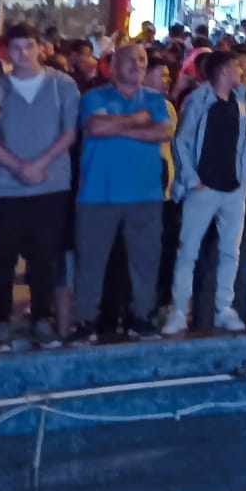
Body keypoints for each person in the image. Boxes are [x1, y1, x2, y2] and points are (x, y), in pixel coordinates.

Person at [0, 25, 80, 349]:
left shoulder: (62, 85)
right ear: (6, 52)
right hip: (8, 187)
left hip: (51, 186)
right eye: (16, 48)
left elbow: (69, 133)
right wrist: (19, 167)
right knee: (3, 258)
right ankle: (0, 322)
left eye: (29, 46)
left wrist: (40, 164)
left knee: (45, 258)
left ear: (40, 48)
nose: (23, 54)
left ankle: (41, 318)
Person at [73, 43, 174, 341]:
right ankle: (86, 321)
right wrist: (138, 121)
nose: (137, 65)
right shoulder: (94, 96)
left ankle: (141, 317)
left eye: (142, 60)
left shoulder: (155, 100)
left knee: (145, 262)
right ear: (113, 66)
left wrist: (120, 127)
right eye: (130, 60)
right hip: (97, 195)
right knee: (91, 262)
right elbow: (95, 128)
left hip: (145, 195)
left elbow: (163, 132)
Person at [163, 51, 246, 335]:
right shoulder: (199, 101)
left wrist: (244, 176)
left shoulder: (240, 100)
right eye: (236, 68)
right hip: (203, 187)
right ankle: (179, 310)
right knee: (188, 250)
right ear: (224, 72)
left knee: (231, 251)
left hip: (233, 188)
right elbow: (182, 141)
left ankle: (223, 309)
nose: (240, 72)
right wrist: (192, 179)